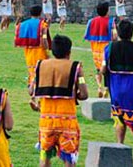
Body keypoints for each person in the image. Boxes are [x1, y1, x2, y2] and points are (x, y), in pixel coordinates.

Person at [30, 35, 88, 167]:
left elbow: (31, 89)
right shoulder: (76, 67)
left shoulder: (40, 65)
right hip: (67, 122)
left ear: (53, 50)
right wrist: (78, 84)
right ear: (69, 52)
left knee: (45, 157)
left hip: (46, 121)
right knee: (69, 159)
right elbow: (84, 94)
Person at [103, 19, 133, 166]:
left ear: (118, 32)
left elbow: (103, 69)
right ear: (132, 33)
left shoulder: (109, 48)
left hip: (116, 90)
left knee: (119, 121)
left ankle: (120, 147)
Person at [84, 1, 116, 98]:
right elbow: (114, 35)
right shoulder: (111, 21)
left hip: (95, 48)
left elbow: (87, 35)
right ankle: (106, 88)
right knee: (107, 67)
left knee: (98, 69)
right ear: (107, 11)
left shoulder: (91, 21)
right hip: (106, 46)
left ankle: (99, 87)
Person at [15, 5, 51, 87]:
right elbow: (44, 38)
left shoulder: (24, 24)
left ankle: (31, 88)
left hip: (28, 51)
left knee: (31, 70)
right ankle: (38, 89)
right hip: (40, 51)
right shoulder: (42, 24)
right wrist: (47, 50)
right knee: (41, 71)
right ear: (40, 13)